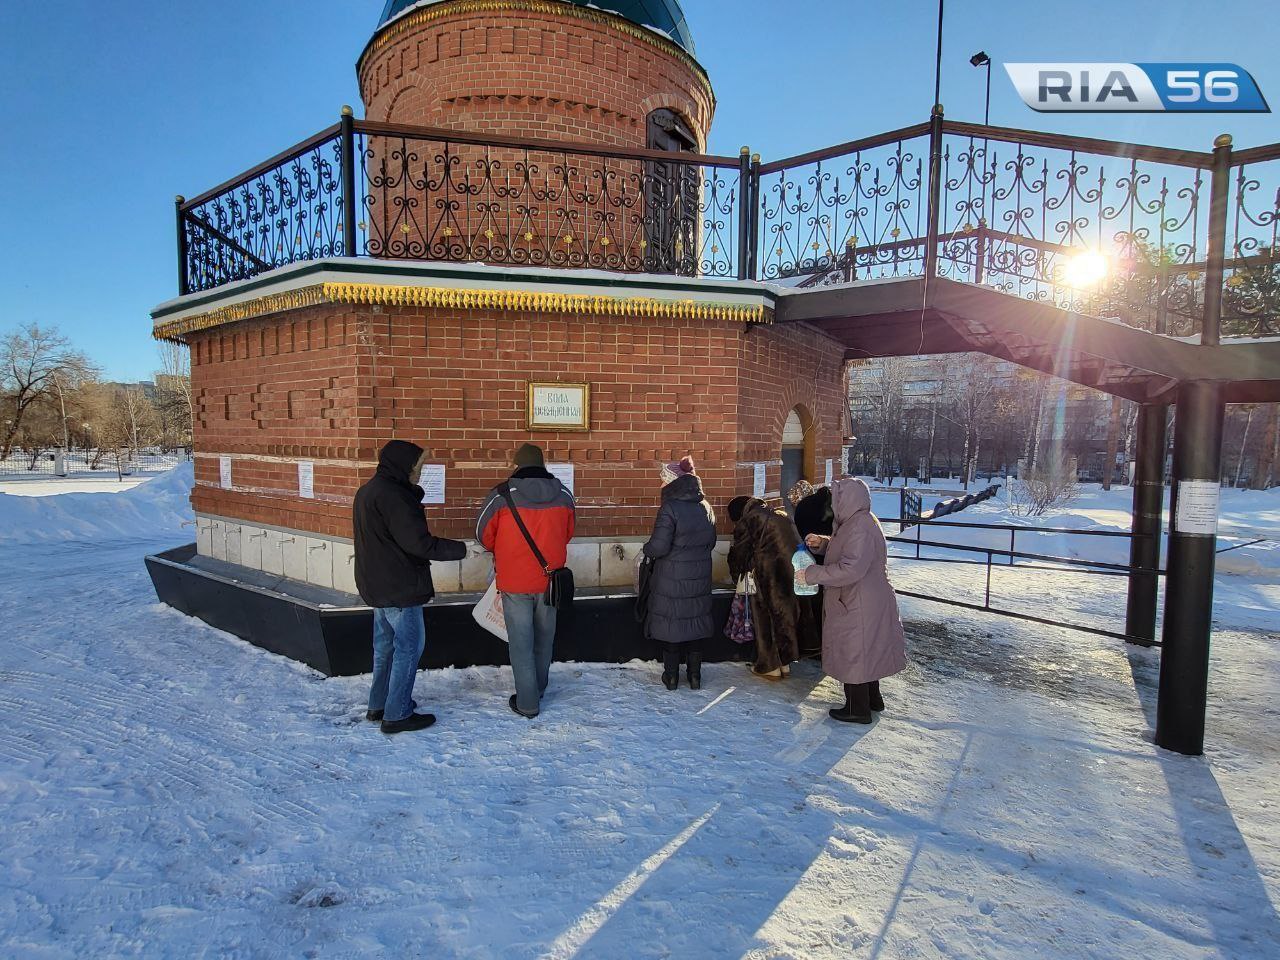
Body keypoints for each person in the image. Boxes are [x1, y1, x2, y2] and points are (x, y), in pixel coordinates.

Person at [353, 440, 467, 735]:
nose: (421, 471)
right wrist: (463, 550)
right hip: (400, 587)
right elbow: (419, 543)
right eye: (419, 466)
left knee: (385, 649)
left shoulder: (369, 491)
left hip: (378, 585)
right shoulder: (394, 497)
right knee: (408, 648)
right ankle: (398, 714)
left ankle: (379, 704)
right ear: (404, 465)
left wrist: (412, 493)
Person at [476, 443, 576, 718]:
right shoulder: (564, 494)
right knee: (545, 639)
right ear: (542, 464)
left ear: (517, 465)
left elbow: (483, 535)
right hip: (551, 581)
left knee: (521, 644)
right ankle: (539, 688)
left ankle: (528, 702)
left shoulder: (502, 495)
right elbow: (568, 532)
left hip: (515, 582)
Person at [798, 477, 907, 723]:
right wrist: (823, 543)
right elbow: (848, 553)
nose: (832, 506)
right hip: (862, 598)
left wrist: (812, 575)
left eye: (836, 500)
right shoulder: (858, 522)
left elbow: (850, 569)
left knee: (854, 652)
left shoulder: (859, 527)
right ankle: (872, 699)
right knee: (865, 649)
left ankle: (857, 709)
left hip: (858, 600)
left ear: (846, 501)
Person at [641, 456, 716, 690]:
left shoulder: (670, 507)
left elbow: (659, 547)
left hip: (671, 578)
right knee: (694, 625)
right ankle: (695, 677)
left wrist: (646, 548)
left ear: (673, 482)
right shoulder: (706, 506)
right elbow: (711, 542)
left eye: (663, 480)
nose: (660, 485)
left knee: (672, 626)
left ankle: (671, 677)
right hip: (700, 576)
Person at [727, 495, 814, 680]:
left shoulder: (751, 519)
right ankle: (785, 664)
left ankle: (768, 666)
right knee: (784, 616)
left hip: (769, 574)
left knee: (764, 618)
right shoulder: (779, 514)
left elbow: (739, 554)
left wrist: (735, 577)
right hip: (793, 573)